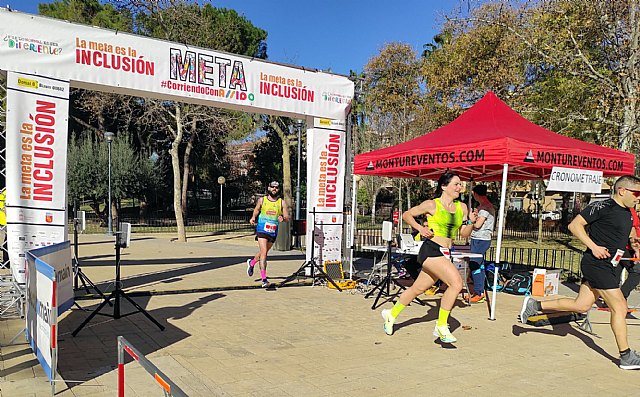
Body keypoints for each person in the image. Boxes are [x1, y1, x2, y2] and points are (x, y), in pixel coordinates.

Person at [519, 175, 640, 370]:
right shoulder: (602, 207)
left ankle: (535, 305)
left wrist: (635, 246)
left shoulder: (628, 212)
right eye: (637, 193)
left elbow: (626, 234)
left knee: (581, 305)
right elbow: (574, 225)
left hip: (611, 265)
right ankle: (626, 356)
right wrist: (594, 247)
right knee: (620, 307)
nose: (638, 197)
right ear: (622, 191)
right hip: (596, 264)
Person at [381, 172, 475, 343]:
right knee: (456, 284)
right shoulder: (432, 205)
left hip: (445, 252)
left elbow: (463, 233)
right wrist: (421, 228)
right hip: (431, 250)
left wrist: (471, 223)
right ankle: (441, 326)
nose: (459, 187)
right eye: (456, 184)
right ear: (444, 186)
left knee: (417, 289)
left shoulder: (462, 208)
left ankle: (391, 314)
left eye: (460, 184)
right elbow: (407, 215)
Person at [247, 181, 290, 288]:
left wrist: (283, 218)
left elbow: (287, 217)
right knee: (264, 253)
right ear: (268, 188)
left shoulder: (281, 202)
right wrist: (253, 217)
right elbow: (256, 210)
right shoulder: (262, 200)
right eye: (272, 187)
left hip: (273, 231)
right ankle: (264, 279)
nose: (274, 189)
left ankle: (252, 263)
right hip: (262, 229)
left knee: (263, 252)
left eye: (276, 187)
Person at [468, 184, 495, 303]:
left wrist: (470, 220)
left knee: (474, 264)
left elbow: (478, 225)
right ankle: (479, 290)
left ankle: (478, 292)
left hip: (481, 239)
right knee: (479, 265)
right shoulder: (483, 207)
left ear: (476, 194)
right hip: (479, 239)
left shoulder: (485, 209)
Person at [621, 206, 640, 300]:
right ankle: (620, 297)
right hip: (627, 248)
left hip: (622, 248)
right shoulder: (629, 211)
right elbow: (631, 233)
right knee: (637, 271)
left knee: (614, 275)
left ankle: (613, 300)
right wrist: (637, 250)